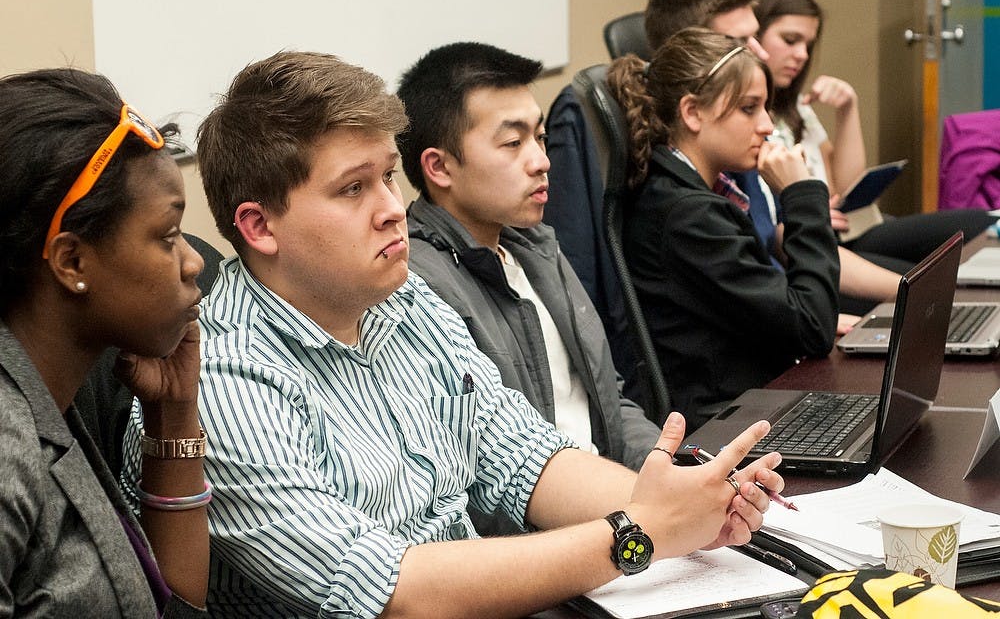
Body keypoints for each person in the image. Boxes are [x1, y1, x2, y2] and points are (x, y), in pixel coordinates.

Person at [147, 49, 785, 618]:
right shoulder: (226, 376)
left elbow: (525, 459)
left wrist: (687, 507)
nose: (393, 207)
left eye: (387, 177)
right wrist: (637, 530)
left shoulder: (401, 298)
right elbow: (398, 593)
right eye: (352, 189)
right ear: (259, 227)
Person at [398, 42, 662, 533]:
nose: (541, 161)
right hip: (552, 541)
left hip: (620, 507)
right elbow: (482, 479)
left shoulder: (535, 246)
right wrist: (652, 510)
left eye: (539, 138)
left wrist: (672, 472)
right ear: (439, 168)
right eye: (512, 143)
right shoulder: (418, 284)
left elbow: (606, 400)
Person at [0, 68, 208, 616]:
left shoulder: (51, 397)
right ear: (71, 262)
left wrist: (173, 413)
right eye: (167, 237)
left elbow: (175, 608)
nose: (195, 261)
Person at [607, 27, 840, 427]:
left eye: (766, 108)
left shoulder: (691, 194)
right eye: (749, 109)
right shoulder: (688, 217)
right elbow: (812, 328)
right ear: (692, 112)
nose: (767, 125)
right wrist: (801, 193)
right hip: (725, 425)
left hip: (753, 398)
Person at [644, 0, 903, 317]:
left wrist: (910, 290)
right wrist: (803, 200)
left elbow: (774, 257)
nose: (760, 52)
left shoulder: (729, 162)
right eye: (741, 41)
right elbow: (804, 318)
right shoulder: (690, 206)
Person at [749, 0, 994, 265]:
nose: (801, 55)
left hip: (847, 228)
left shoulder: (797, 109)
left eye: (808, 45)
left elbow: (846, 186)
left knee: (980, 223)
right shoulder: (752, 120)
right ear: (755, 36)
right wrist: (808, 213)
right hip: (813, 240)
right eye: (790, 40)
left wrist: (848, 110)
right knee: (924, 276)